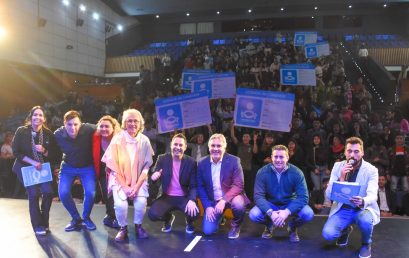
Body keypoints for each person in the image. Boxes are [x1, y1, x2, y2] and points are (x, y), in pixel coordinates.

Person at [322, 137, 379, 258]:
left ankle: (366, 244)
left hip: (362, 209)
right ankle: (345, 230)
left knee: (365, 221)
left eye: (356, 151)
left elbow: (373, 194)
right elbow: (328, 194)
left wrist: (363, 200)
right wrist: (341, 178)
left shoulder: (371, 170)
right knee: (328, 234)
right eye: (349, 151)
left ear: (362, 152)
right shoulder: (338, 166)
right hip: (343, 208)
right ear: (345, 152)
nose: (352, 154)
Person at [102, 109, 154, 242]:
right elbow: (113, 167)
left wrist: (136, 187)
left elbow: (146, 168)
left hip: (139, 180)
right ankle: (123, 228)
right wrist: (125, 187)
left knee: (141, 202)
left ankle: (138, 226)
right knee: (120, 205)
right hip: (119, 179)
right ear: (124, 123)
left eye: (135, 120)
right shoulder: (117, 139)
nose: (132, 123)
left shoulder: (145, 140)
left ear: (140, 123)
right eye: (129, 120)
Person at [249, 145, 314, 242]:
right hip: (271, 204)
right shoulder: (262, 172)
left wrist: (287, 212)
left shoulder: (297, 173)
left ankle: (292, 226)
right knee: (254, 214)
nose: (278, 160)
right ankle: (269, 225)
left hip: (289, 203)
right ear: (271, 157)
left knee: (308, 214)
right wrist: (271, 213)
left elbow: (303, 197)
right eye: (275, 157)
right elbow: (258, 196)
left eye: (281, 157)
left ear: (287, 157)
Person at [11, 106, 59, 235]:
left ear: (44, 119)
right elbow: (16, 151)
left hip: (42, 168)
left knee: (48, 193)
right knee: (33, 194)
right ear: (30, 117)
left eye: (40, 115)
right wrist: (33, 162)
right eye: (35, 115)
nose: (37, 117)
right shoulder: (21, 131)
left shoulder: (49, 134)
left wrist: (44, 150)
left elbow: (55, 154)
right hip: (25, 167)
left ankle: (44, 222)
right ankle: (38, 225)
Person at [197, 133, 250, 239]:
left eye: (219, 146)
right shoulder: (202, 163)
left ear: (224, 147)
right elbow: (200, 187)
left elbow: (238, 185)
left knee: (239, 205)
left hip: (231, 198)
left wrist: (223, 200)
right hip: (213, 201)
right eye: (213, 146)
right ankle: (220, 217)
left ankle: (236, 225)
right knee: (208, 231)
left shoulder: (234, 161)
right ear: (209, 147)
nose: (215, 149)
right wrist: (207, 206)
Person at [54, 110, 97, 232]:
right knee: (63, 193)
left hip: (87, 166)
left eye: (75, 124)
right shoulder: (58, 134)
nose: (73, 127)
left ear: (81, 124)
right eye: (69, 124)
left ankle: (86, 218)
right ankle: (76, 218)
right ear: (64, 124)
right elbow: (51, 150)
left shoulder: (88, 128)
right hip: (68, 166)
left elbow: (106, 127)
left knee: (90, 193)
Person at [148, 133, 199, 234]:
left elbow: (194, 185)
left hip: (184, 197)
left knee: (194, 213)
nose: (178, 147)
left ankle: (189, 222)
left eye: (181, 145)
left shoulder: (191, 162)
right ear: (171, 145)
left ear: (185, 147)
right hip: (167, 196)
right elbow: (154, 176)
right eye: (175, 144)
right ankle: (168, 218)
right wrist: (153, 178)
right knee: (152, 214)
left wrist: (192, 200)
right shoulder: (162, 158)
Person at [92, 115, 121, 228]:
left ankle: (118, 217)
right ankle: (110, 215)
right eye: (101, 126)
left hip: (117, 173)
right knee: (106, 195)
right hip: (102, 173)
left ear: (113, 128)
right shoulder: (95, 138)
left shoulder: (119, 140)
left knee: (116, 196)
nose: (104, 129)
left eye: (107, 126)